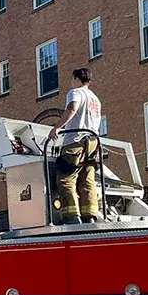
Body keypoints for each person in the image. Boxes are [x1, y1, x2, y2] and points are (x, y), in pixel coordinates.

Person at [48, 68, 102, 225]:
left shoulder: (76, 93)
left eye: (72, 79)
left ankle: (71, 216)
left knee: (66, 178)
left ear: (77, 79)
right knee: (87, 178)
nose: (71, 82)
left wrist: (57, 127)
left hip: (76, 141)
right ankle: (90, 216)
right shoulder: (95, 99)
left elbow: (72, 109)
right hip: (93, 142)